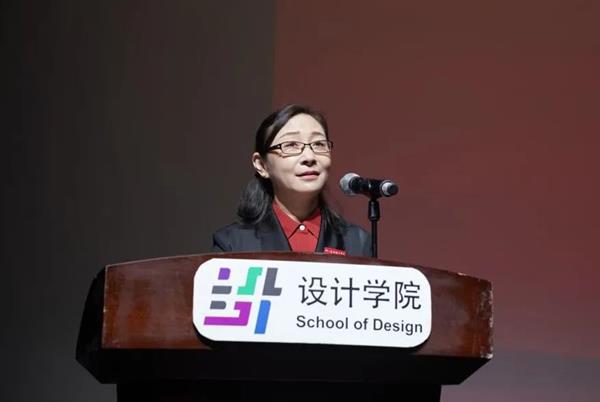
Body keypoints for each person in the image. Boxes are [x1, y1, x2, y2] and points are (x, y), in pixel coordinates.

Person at [212, 104, 371, 256]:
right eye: (291, 145)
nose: (309, 157)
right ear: (261, 165)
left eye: (318, 144)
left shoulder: (357, 241)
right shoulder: (233, 243)